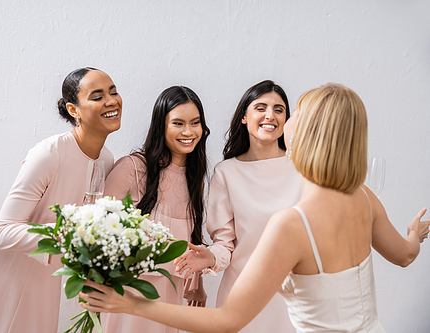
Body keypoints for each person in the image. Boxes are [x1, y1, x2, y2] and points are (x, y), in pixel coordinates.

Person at [79, 83, 430, 333]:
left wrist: (129, 304)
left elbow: (229, 321)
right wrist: (414, 234)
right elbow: (404, 255)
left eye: (294, 113)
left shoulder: (292, 223)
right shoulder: (364, 197)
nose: (281, 119)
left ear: (309, 133)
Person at [0, 67, 121, 333]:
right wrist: (63, 237)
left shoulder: (107, 160)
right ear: (74, 110)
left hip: (44, 282)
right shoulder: (49, 153)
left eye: (113, 92)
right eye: (97, 96)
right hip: (3, 277)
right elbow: (2, 232)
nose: (111, 101)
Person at [174, 80, 301, 332]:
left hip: (294, 296)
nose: (270, 116)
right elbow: (225, 243)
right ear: (244, 116)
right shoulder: (226, 173)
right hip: (242, 294)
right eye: (261, 107)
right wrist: (210, 257)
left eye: (279, 109)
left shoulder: (304, 168)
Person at [100, 86, 210, 333]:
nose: (188, 132)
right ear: (162, 126)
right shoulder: (134, 168)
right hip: (130, 291)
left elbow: (189, 239)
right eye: (178, 123)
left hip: (171, 294)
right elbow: (99, 228)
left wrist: (196, 284)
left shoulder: (195, 178)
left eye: (195, 123)